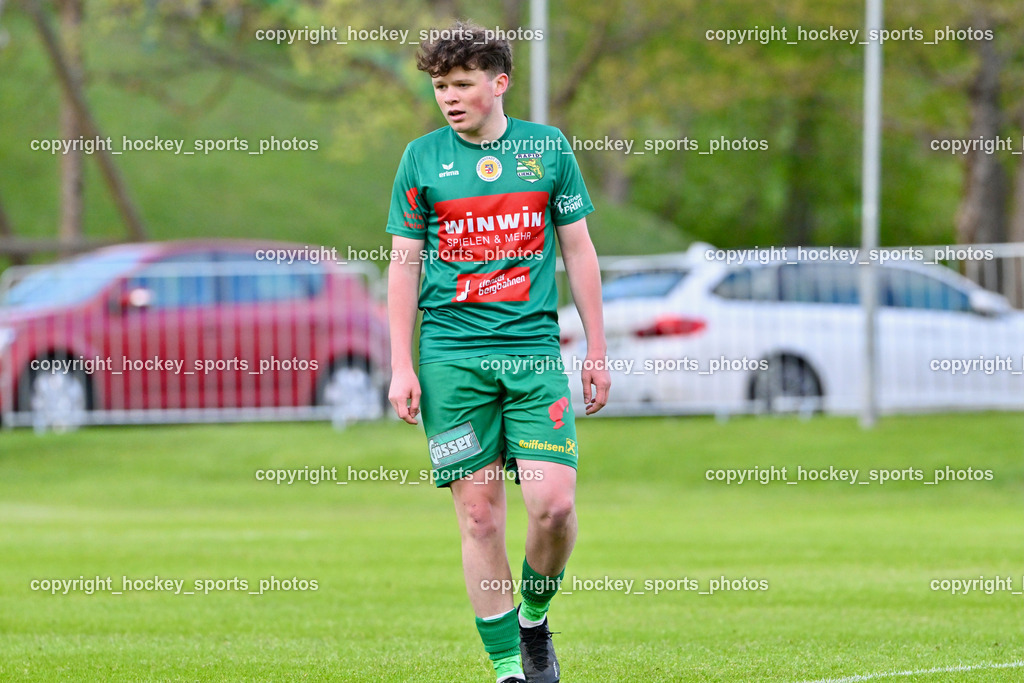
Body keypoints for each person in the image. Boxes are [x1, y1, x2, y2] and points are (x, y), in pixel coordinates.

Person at [385, 20, 610, 683]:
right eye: (438, 86)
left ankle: (533, 618)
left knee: (554, 506)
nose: (448, 97)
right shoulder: (421, 160)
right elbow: (403, 264)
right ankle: (511, 668)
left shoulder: (547, 150)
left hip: (533, 353)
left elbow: (580, 249)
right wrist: (402, 362)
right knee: (479, 514)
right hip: (452, 357)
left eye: (461, 84)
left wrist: (597, 349)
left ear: (499, 82)